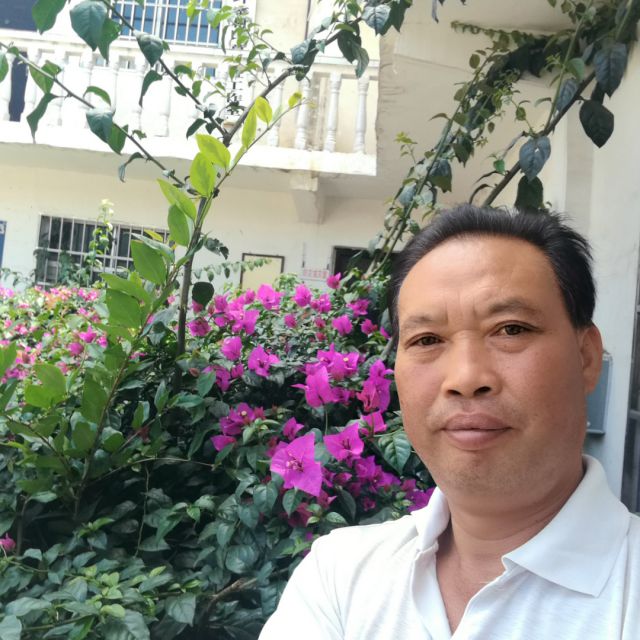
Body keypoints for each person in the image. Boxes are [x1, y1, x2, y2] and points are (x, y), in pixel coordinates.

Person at [259, 205, 640, 639]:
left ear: (586, 357)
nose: (465, 378)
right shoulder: (340, 576)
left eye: (511, 329)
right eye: (427, 339)